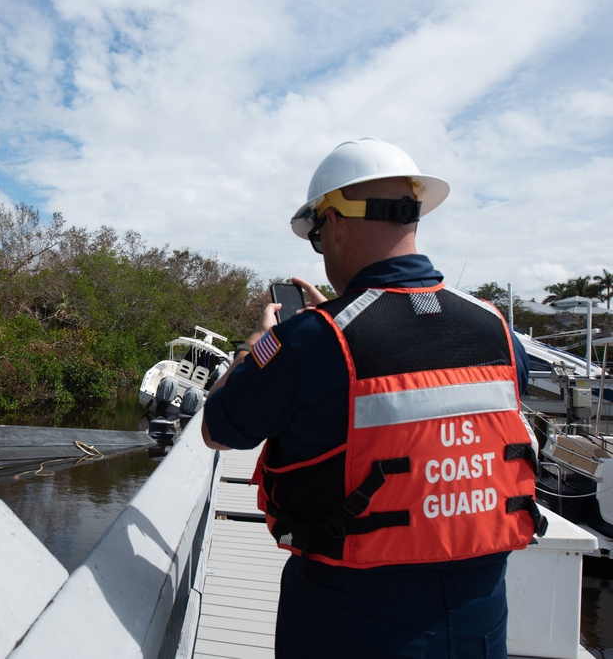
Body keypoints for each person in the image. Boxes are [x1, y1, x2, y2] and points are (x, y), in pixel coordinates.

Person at [201, 137, 546, 659]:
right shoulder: (495, 327)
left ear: (335, 223)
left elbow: (218, 429)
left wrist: (259, 348)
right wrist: (337, 317)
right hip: (480, 624)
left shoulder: (314, 340)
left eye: (317, 237)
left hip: (348, 624)